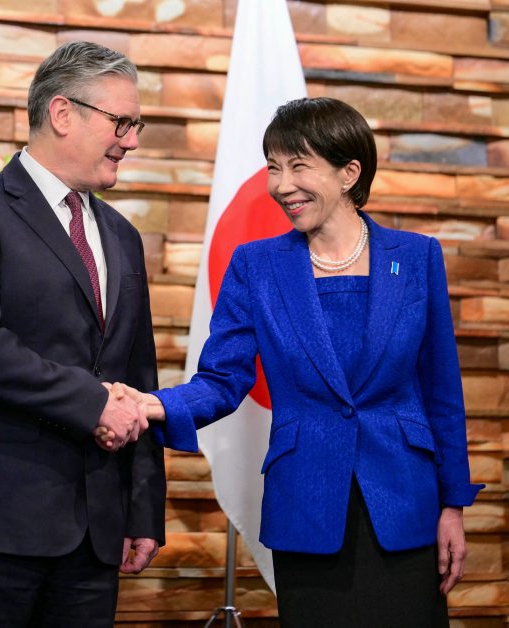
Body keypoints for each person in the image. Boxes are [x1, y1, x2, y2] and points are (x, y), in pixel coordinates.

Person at [107, 97, 483, 626]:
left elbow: (441, 392)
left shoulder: (417, 257)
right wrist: (157, 405)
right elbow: (222, 377)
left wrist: (452, 506)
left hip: (407, 505)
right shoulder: (256, 265)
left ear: (349, 173)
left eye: (298, 166)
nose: (282, 185)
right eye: (273, 167)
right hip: (307, 505)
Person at [0, 41, 164, 626]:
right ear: (63, 113)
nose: (131, 141)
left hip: (95, 537)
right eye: (122, 122)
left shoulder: (123, 236)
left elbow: (137, 375)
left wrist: (142, 509)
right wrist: (92, 402)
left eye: (136, 125)